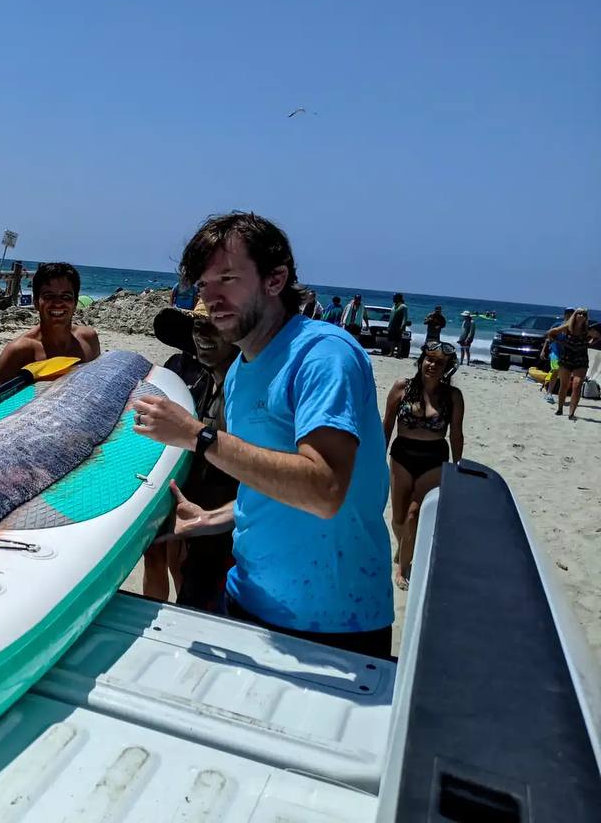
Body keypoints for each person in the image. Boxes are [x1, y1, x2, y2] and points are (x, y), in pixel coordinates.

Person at [133, 212, 393, 658]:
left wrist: (199, 435)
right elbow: (271, 482)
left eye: (228, 279)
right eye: (203, 284)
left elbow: (324, 489)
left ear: (276, 280)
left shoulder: (323, 355)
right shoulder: (239, 372)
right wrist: (212, 518)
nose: (211, 297)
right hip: (246, 598)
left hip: (334, 621)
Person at [144, 300, 239, 609]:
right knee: (162, 557)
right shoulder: (181, 369)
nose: (204, 335)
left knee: (196, 580)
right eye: (199, 325)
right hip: (177, 487)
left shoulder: (245, 387)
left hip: (222, 506)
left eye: (215, 326)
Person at [382, 342, 465, 589]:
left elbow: (457, 435)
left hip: (434, 459)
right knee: (398, 517)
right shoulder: (401, 387)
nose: (432, 365)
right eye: (429, 359)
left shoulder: (452, 397)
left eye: (439, 363)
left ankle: (402, 568)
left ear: (447, 369)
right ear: (421, 361)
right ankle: (404, 547)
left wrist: (458, 467)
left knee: (413, 514)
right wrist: (379, 456)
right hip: (402, 456)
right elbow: (387, 425)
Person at [0, 262, 101, 386]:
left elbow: (96, 386)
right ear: (36, 303)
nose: (58, 303)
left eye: (65, 296)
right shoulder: (17, 352)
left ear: (75, 302)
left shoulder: (89, 339)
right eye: (49, 296)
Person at [545, 308, 593, 420]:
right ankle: (560, 408)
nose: (581, 315)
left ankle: (571, 413)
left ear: (586, 317)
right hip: (566, 358)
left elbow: (597, 337)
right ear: (575, 315)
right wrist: (558, 341)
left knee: (577, 385)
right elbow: (551, 333)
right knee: (564, 385)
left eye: (584, 314)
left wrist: (588, 343)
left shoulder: (587, 330)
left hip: (581, 360)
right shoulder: (567, 327)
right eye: (579, 313)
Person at [385, 293, 409, 358]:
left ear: (398, 298)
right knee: (391, 340)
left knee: (398, 341)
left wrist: (402, 325)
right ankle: (391, 353)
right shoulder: (393, 306)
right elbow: (391, 318)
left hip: (398, 327)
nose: (393, 299)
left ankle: (398, 354)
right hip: (392, 326)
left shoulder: (403, 307)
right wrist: (389, 326)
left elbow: (405, 317)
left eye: (394, 297)